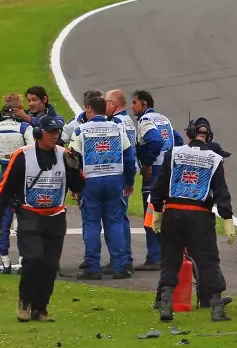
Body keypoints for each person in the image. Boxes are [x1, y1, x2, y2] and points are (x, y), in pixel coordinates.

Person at [0, 116, 85, 322]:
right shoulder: (22, 156)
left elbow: (78, 187)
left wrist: (75, 168)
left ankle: (40, 308)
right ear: (38, 133)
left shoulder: (65, 155)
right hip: (29, 215)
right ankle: (25, 300)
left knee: (50, 265)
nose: (55, 136)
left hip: (56, 217)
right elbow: (5, 188)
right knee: (33, 259)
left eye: (57, 132)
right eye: (50, 132)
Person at [151, 118, 237, 322]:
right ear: (209, 136)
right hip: (199, 216)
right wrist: (227, 217)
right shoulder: (214, 158)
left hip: (173, 214)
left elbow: (160, 183)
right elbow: (221, 192)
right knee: (208, 261)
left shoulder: (174, 153)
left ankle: (166, 305)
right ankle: (216, 307)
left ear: (189, 134)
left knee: (170, 259)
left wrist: (157, 210)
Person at [67, 95, 136, 280]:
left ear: (89, 108)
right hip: (114, 179)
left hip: (90, 181)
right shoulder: (117, 128)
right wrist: (129, 182)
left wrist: (74, 186)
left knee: (91, 223)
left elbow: (72, 160)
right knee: (115, 222)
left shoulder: (81, 130)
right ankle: (120, 266)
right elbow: (129, 158)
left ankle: (92, 267)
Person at [131, 90, 183, 271]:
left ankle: (154, 258)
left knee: (151, 216)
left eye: (135, 103)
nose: (132, 106)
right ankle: (172, 255)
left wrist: (147, 164)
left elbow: (156, 142)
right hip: (169, 171)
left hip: (154, 173)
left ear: (144, 104)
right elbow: (178, 140)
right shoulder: (164, 119)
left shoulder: (145, 121)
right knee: (168, 214)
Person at [0, 93, 35, 273]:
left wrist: (4, 157)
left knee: (2, 218)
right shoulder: (25, 128)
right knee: (24, 219)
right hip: (23, 178)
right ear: (19, 109)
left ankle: (5, 262)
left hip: (4, 176)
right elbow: (33, 153)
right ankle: (22, 261)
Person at [105, 89, 138, 275]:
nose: (104, 105)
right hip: (124, 174)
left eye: (106, 102)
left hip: (118, 175)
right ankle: (124, 257)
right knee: (120, 218)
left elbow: (127, 154)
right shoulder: (127, 122)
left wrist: (127, 180)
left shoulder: (117, 123)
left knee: (116, 219)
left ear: (114, 104)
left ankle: (123, 259)